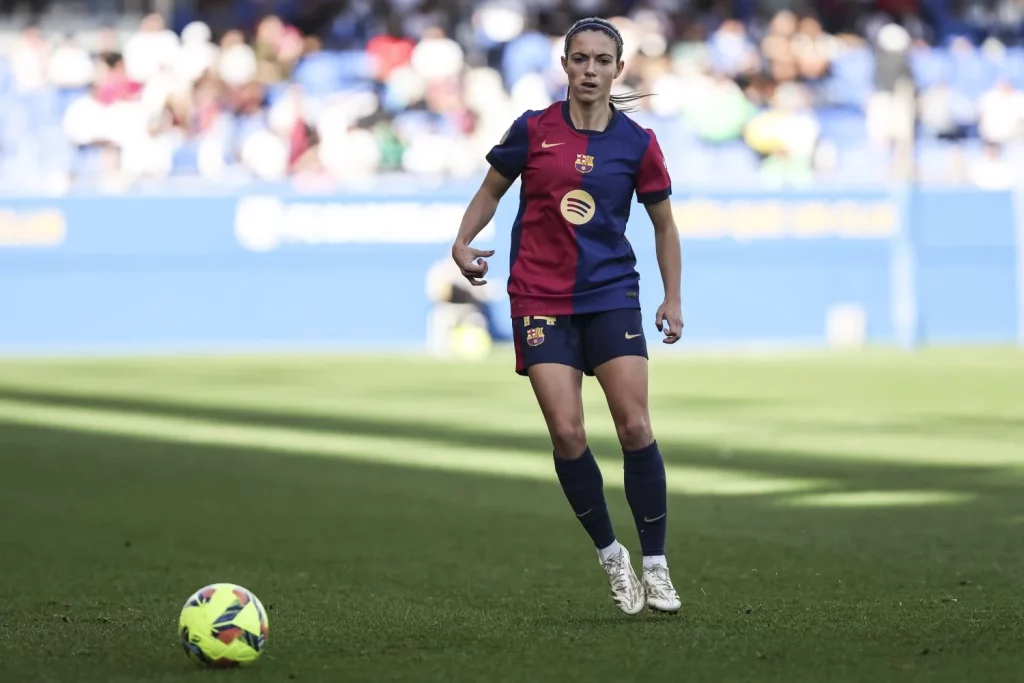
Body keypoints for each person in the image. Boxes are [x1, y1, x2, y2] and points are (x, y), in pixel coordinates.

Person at [450, 16, 684, 615]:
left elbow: (663, 224)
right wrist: (462, 240)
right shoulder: (532, 130)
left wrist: (671, 297)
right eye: (579, 59)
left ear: (617, 69)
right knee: (568, 433)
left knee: (634, 427)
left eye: (601, 61)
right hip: (539, 297)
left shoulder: (637, 142)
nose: (589, 70)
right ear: (565, 65)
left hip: (610, 294)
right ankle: (613, 556)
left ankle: (655, 564)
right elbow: (490, 190)